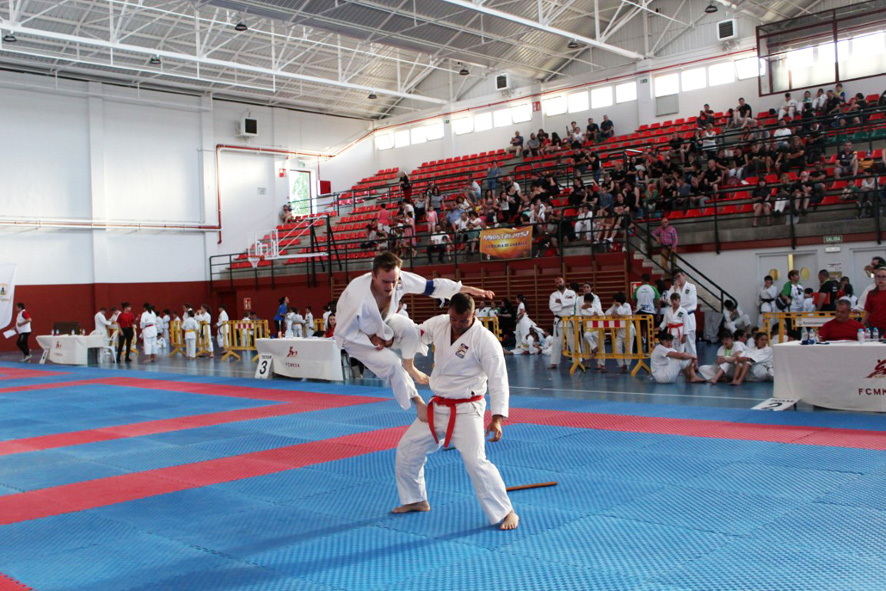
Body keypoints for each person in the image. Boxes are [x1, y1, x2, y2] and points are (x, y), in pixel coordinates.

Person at [392, 294, 519, 530]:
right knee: (408, 449)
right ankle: (415, 499)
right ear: (448, 312)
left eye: (463, 320)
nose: (457, 324)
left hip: (467, 409)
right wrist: (390, 331)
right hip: (438, 404)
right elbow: (415, 333)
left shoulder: (485, 340)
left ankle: (506, 511)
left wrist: (498, 418)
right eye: (453, 318)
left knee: (476, 462)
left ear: (474, 315)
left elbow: (499, 380)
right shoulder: (440, 323)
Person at [334, 252, 493, 411]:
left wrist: (467, 289)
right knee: (393, 364)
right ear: (373, 275)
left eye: (393, 281)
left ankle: (409, 365)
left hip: (382, 323)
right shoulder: (355, 296)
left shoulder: (401, 280)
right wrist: (371, 339)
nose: (390, 287)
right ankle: (418, 403)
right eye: (385, 282)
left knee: (410, 330)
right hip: (353, 337)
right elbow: (343, 332)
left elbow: (431, 286)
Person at [547, 276, 577, 370]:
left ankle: (577, 361)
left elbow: (573, 302)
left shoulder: (571, 293)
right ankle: (554, 362)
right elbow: (552, 307)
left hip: (569, 320)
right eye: (556, 283)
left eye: (560, 282)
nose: (559, 284)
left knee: (573, 341)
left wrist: (561, 302)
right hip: (558, 321)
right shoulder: (553, 295)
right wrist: (565, 304)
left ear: (564, 282)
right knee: (556, 342)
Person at [863, 267, 886, 334]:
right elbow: (868, 312)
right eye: (878, 276)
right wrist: (860, 325)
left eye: (883, 277)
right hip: (872, 327)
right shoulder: (871, 293)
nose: (880, 279)